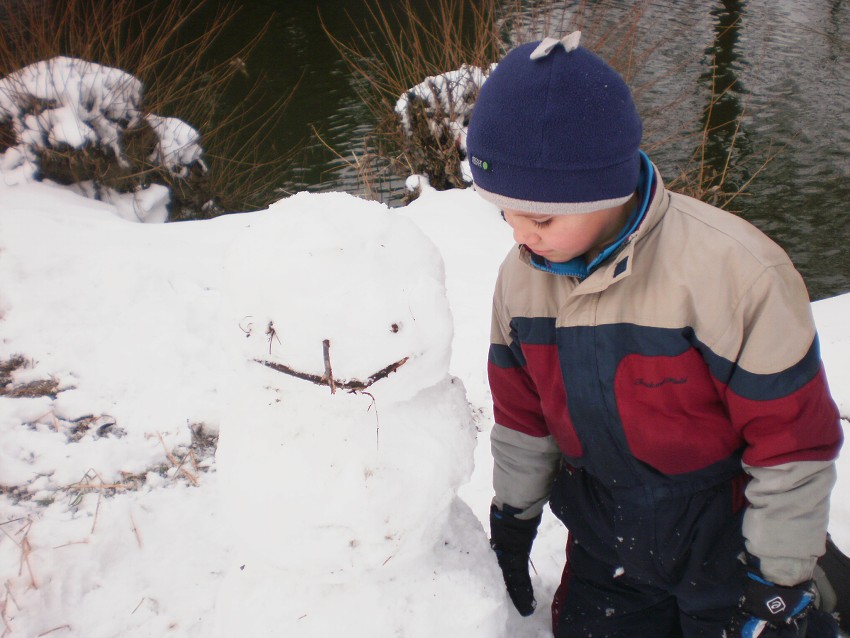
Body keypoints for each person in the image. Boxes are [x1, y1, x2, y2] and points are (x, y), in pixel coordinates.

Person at [465, 32, 844, 638]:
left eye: (539, 217)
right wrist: (513, 519)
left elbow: (791, 445)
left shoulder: (732, 272)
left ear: (605, 190)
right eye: (504, 212)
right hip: (606, 537)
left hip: (727, 541)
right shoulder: (522, 280)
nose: (519, 236)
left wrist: (777, 577)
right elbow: (523, 419)